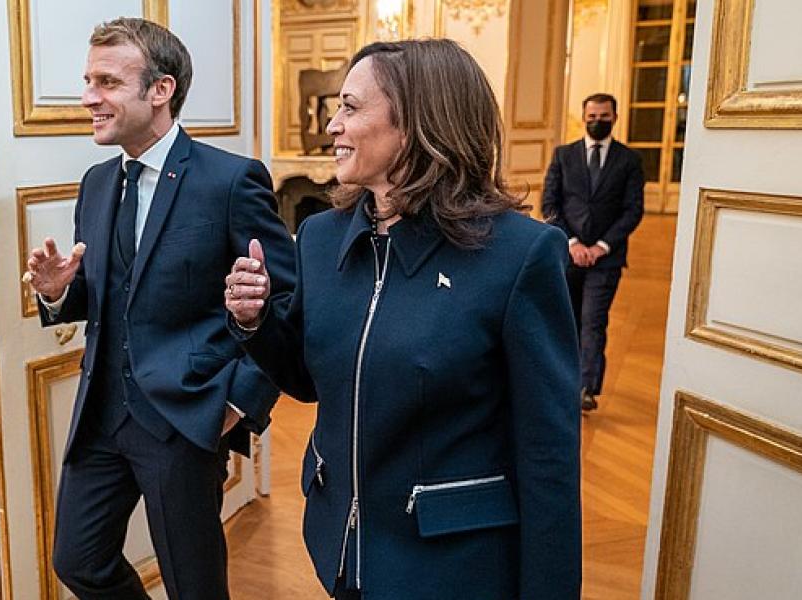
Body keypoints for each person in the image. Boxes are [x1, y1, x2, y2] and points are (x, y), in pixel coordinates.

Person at [224, 40, 581, 599]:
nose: (333, 126)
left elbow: (548, 457)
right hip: (341, 547)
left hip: (451, 568)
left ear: (417, 124)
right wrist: (256, 321)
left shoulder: (519, 255)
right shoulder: (319, 238)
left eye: (350, 107)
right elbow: (306, 379)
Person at [22, 17, 296, 600]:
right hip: (101, 415)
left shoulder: (229, 181)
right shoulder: (96, 183)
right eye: (87, 80)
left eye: (107, 82)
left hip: (185, 420)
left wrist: (236, 405)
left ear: (160, 90)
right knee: (78, 561)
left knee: (194, 586)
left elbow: (286, 302)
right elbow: (114, 296)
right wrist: (57, 292)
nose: (88, 97)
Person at [541, 93, 645, 411]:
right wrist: (572, 243)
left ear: (615, 117)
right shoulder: (563, 155)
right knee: (566, 319)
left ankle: (586, 387)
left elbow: (632, 210)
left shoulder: (629, 160)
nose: (597, 121)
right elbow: (550, 204)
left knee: (593, 322)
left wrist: (600, 247)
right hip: (568, 254)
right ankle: (563, 380)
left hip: (606, 258)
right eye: (592, 116)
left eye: (603, 116)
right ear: (583, 117)